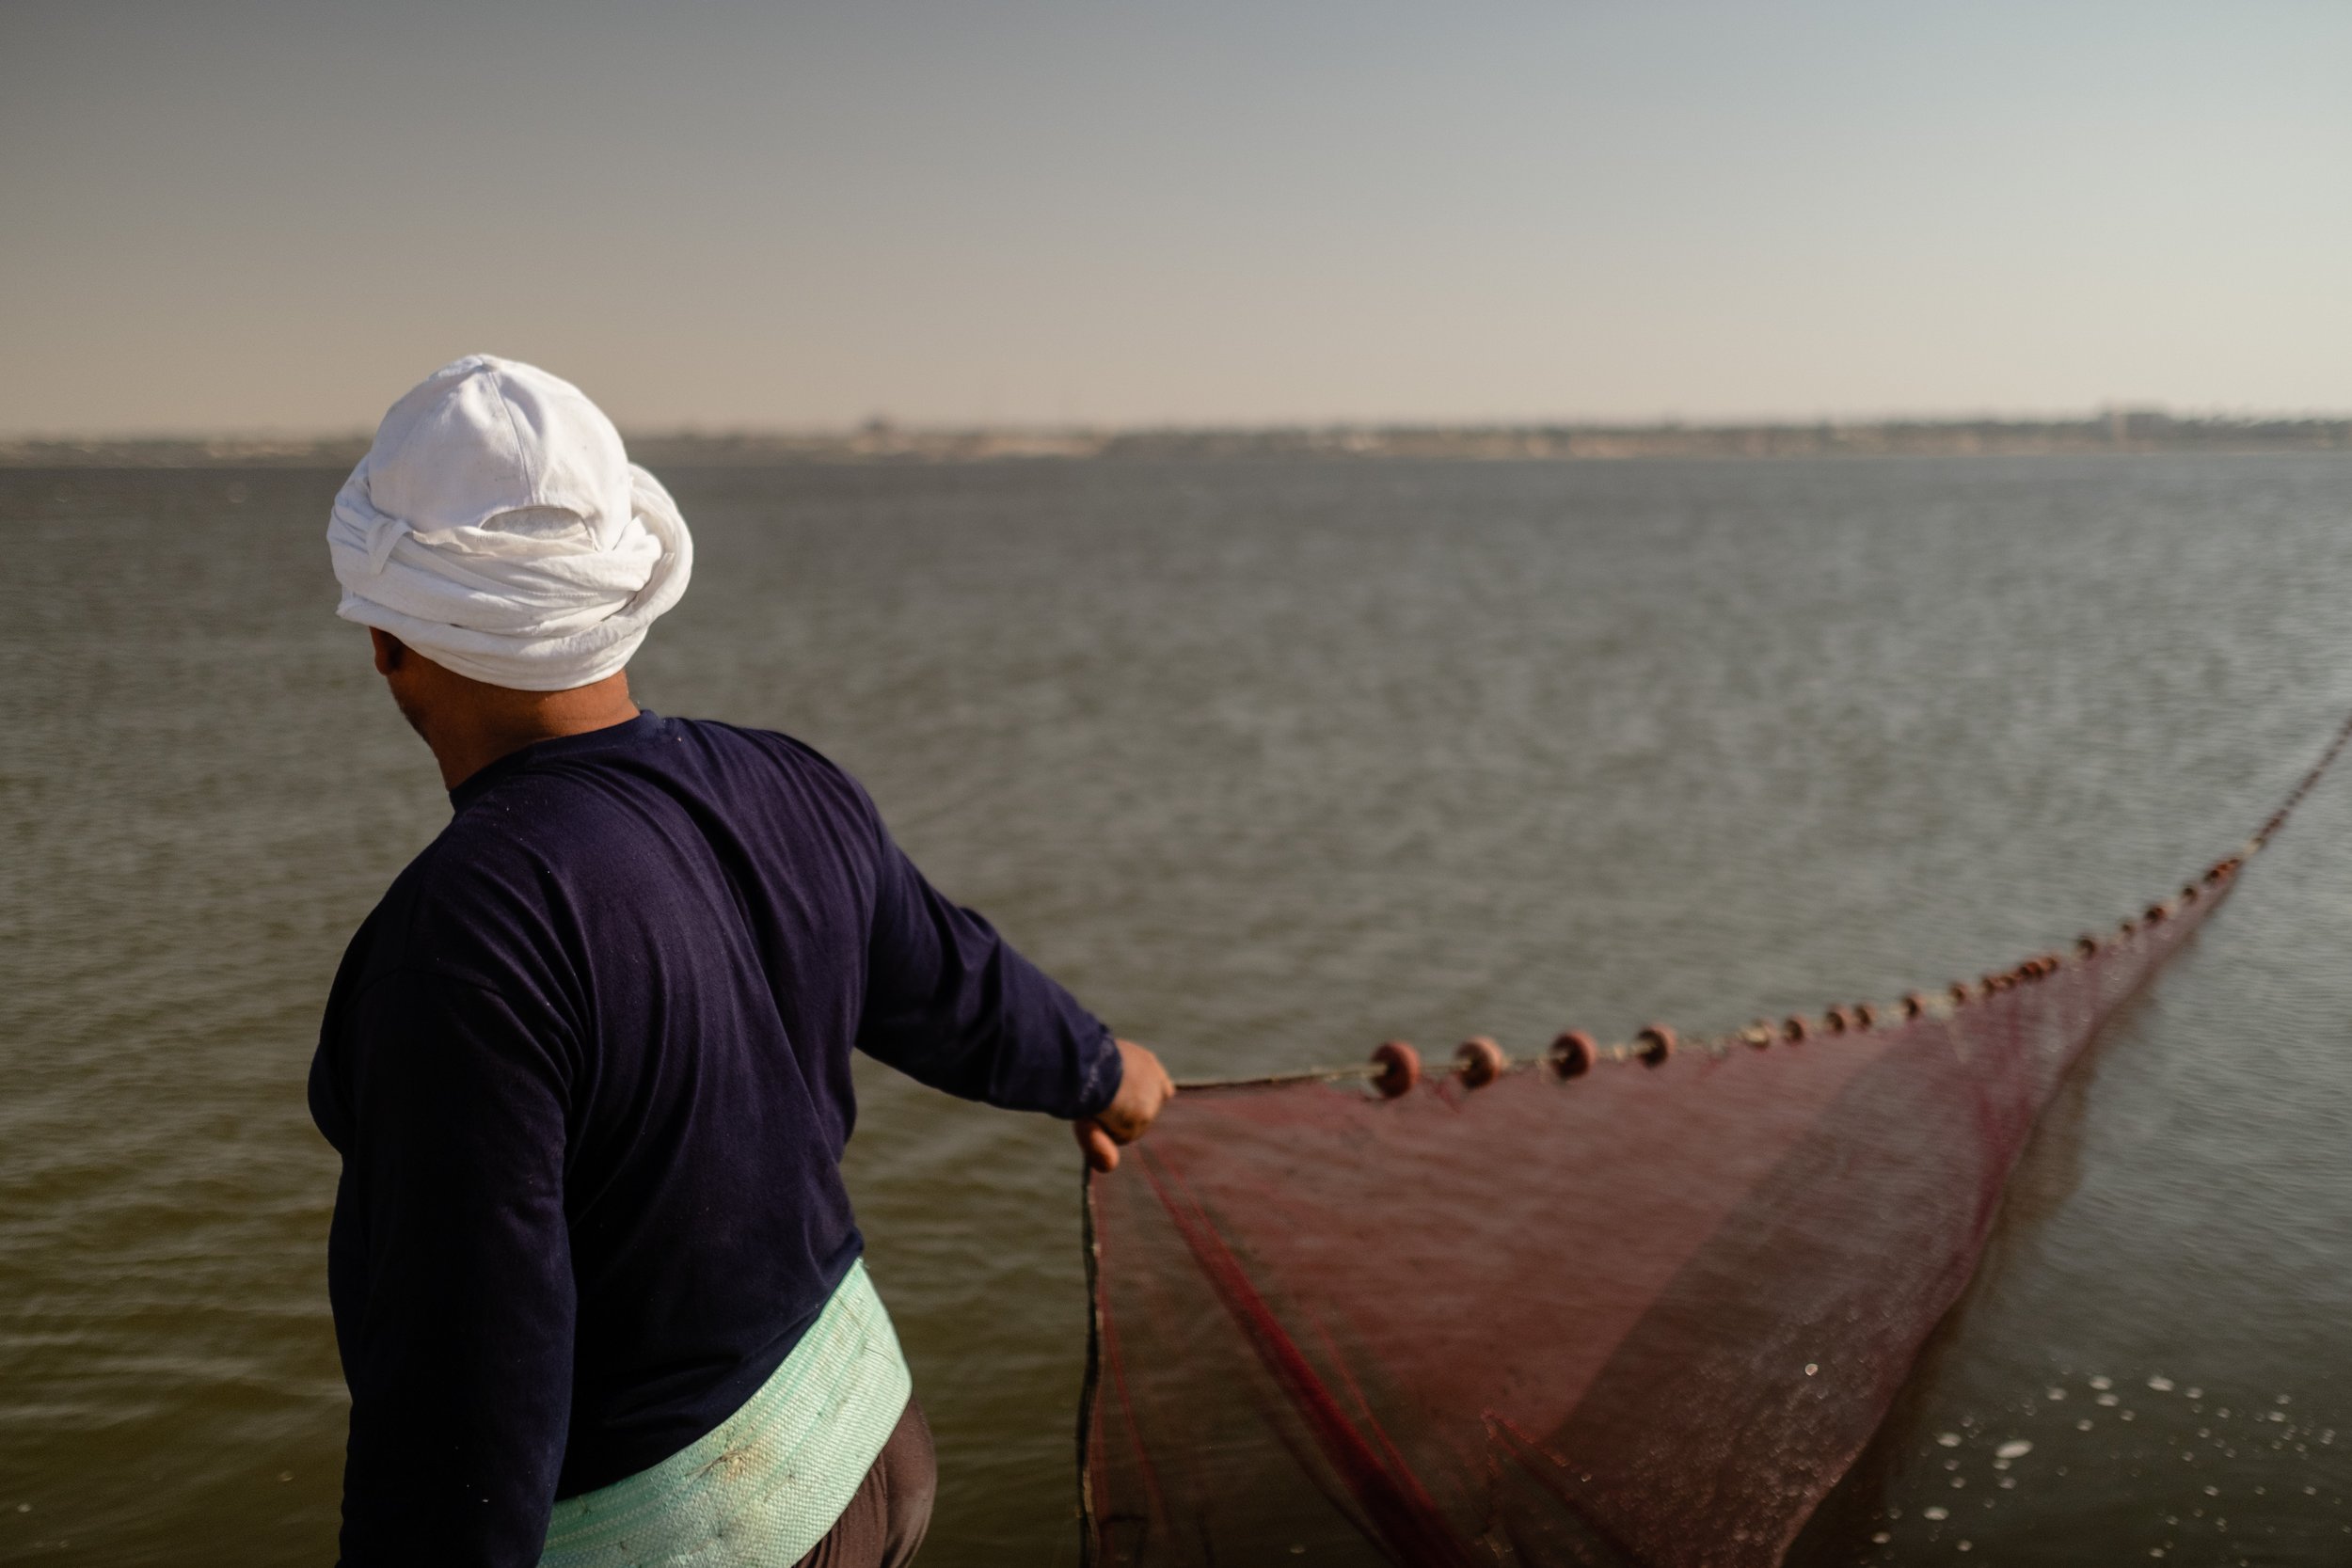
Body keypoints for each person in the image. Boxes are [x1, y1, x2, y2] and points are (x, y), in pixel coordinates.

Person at [309, 355, 1174, 1568]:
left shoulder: (460, 939)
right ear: (624, 598)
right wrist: (1101, 1071)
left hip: (692, 1533)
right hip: (874, 1446)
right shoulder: (787, 783)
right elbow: (949, 985)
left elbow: (470, 1390)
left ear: (390, 641)